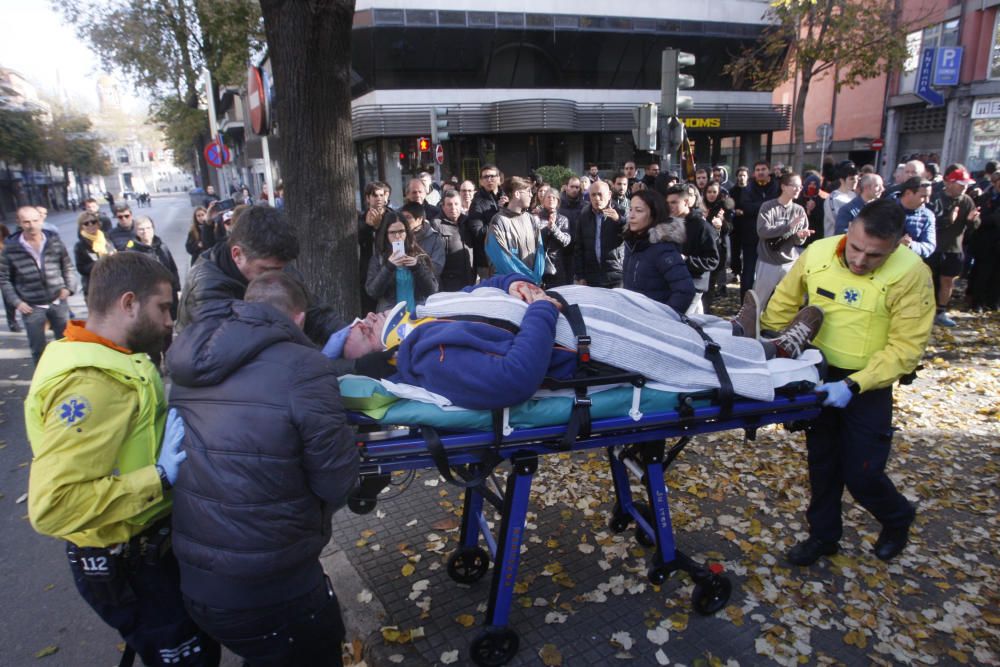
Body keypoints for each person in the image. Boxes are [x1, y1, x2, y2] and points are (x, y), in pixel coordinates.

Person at [25, 252, 220, 667]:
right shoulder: (90, 386)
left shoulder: (107, 356)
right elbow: (53, 506)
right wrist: (158, 477)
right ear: (128, 303)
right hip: (126, 560)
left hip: (144, 550)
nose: (169, 321)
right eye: (163, 308)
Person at [167, 271, 357, 667]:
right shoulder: (305, 367)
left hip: (198, 582)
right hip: (274, 586)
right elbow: (335, 482)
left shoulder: (191, 359)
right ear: (299, 318)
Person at [334, 273, 823, 411]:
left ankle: (732, 331)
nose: (364, 319)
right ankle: (775, 351)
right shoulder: (425, 359)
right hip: (578, 338)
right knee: (676, 348)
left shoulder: (424, 314)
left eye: (358, 321)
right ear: (370, 360)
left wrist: (513, 285)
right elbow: (513, 380)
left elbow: (482, 288)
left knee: (657, 313)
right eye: (358, 333)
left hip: (566, 307)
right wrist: (542, 309)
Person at [762, 198, 934, 566]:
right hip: (818, 374)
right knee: (822, 465)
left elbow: (906, 347)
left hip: (868, 384)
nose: (859, 260)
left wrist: (855, 385)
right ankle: (823, 536)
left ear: (896, 245)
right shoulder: (819, 253)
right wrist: (772, 346)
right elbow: (783, 303)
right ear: (849, 230)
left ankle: (897, 516)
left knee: (863, 473)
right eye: (855, 248)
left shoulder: (911, 274)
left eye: (874, 255)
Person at [177, 205, 344, 348]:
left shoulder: (273, 264)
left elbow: (312, 310)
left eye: (282, 268)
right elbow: (237, 354)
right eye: (266, 269)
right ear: (237, 255)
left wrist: (347, 335)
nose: (277, 275)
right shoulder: (205, 290)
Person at [0, 206, 76, 364]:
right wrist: (17, 302)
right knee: (38, 349)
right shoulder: (11, 248)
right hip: (31, 306)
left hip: (57, 301)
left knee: (67, 345)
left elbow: (68, 267)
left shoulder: (54, 241)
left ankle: (68, 376)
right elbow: (4, 279)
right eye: (26, 222)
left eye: (35, 220)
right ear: (19, 222)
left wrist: (68, 288)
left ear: (41, 220)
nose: (32, 225)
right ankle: (43, 379)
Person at [623, 188, 695, 313]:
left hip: (653, 320)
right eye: (630, 209)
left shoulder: (662, 248)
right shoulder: (632, 244)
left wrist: (664, 317)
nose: (631, 216)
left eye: (639, 210)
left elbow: (685, 290)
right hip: (634, 318)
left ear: (654, 214)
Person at [927, 165, 980, 327]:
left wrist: (972, 220)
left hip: (954, 249)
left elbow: (975, 226)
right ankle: (925, 310)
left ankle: (941, 311)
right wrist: (948, 219)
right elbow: (930, 221)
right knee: (928, 280)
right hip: (933, 248)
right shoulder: (935, 197)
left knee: (947, 281)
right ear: (949, 182)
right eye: (961, 184)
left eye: (966, 184)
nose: (964, 187)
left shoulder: (967, 201)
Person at [754, 171, 813, 307]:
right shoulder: (768, 207)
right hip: (768, 261)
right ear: (783, 187)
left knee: (788, 302)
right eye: (795, 186)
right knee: (759, 301)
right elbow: (762, 231)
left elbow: (797, 240)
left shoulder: (799, 210)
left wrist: (800, 236)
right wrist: (789, 226)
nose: (798, 189)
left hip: (789, 262)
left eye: (800, 187)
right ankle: (753, 321)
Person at [127, 217, 181, 365]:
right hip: (147, 299)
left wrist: (176, 289)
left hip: (166, 297)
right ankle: (155, 362)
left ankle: (168, 361)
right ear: (136, 231)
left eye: (148, 228)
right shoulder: (132, 252)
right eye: (141, 229)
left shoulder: (161, 246)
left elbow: (172, 269)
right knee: (152, 332)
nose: (145, 232)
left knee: (167, 329)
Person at [660, 184, 719, 314]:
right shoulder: (669, 223)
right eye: (668, 203)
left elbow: (713, 260)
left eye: (674, 202)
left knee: (679, 320)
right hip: (673, 283)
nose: (670, 206)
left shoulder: (702, 226)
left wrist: (686, 260)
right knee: (693, 320)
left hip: (693, 285)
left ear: (686, 202)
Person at [366, 211, 438, 311]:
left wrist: (417, 268)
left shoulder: (419, 256)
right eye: (392, 232)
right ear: (385, 234)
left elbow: (432, 290)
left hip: (417, 315)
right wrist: (388, 267)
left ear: (407, 232)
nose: (397, 236)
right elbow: (372, 292)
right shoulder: (379, 259)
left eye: (401, 231)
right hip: (391, 316)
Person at [486, 176, 546, 284]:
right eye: (528, 191)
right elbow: (500, 258)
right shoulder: (499, 221)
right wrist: (524, 279)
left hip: (534, 283)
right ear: (517, 194)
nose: (531, 195)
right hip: (510, 284)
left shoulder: (530, 219)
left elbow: (540, 251)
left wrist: (536, 278)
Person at [734, 161, 780, 297]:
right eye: (758, 170)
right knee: (748, 272)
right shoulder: (748, 188)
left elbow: (778, 205)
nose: (760, 172)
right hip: (751, 236)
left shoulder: (777, 187)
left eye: (763, 169)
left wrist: (758, 207)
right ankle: (745, 302)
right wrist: (767, 205)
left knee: (771, 273)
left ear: (769, 171)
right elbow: (746, 207)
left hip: (772, 237)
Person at [573, 180, 627, 287]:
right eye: (593, 195)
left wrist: (619, 220)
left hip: (616, 275)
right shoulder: (584, 215)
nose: (597, 198)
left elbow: (630, 236)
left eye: (600, 194)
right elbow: (579, 247)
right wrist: (580, 276)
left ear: (609, 195)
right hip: (592, 276)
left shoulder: (621, 211)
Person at [467, 164, 507, 279]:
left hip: (508, 256)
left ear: (499, 179)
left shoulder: (507, 197)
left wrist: (509, 209)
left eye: (492, 176)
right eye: (485, 177)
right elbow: (478, 233)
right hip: (487, 261)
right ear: (481, 181)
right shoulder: (477, 203)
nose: (489, 179)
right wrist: (499, 214)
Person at [358, 181, 393, 312]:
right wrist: (368, 226)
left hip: (390, 265)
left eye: (381, 195)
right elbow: (359, 240)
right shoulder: (361, 218)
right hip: (368, 268)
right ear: (368, 198)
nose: (379, 198)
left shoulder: (393, 216)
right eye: (375, 195)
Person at [434, 189, 476, 291]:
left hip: (469, 279)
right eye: (449, 204)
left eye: (456, 204)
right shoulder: (436, 224)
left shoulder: (467, 222)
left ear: (461, 205)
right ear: (443, 207)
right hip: (448, 282)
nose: (453, 208)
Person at [703, 180, 735, 306]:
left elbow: (730, 228)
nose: (711, 194)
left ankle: (706, 308)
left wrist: (722, 223)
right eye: (709, 192)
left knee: (710, 283)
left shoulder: (723, 207)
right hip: (701, 249)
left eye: (714, 192)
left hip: (717, 249)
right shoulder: (701, 206)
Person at [537, 188, 572, 287]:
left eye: (554, 198)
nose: (551, 199)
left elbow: (566, 241)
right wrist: (546, 230)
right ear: (543, 201)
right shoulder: (536, 218)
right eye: (548, 197)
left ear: (558, 202)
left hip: (556, 265)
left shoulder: (563, 219)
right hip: (539, 263)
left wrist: (553, 228)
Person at [894, 177, 936, 259]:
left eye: (928, 196)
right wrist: (895, 244)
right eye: (923, 196)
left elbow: (929, 246)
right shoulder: (885, 208)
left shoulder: (927, 216)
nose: (927, 201)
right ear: (908, 193)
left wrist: (911, 245)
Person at [823, 160, 859, 238]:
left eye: (857, 179)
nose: (855, 181)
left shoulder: (855, 196)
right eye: (852, 179)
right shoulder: (832, 198)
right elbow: (837, 222)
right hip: (834, 240)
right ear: (842, 180)